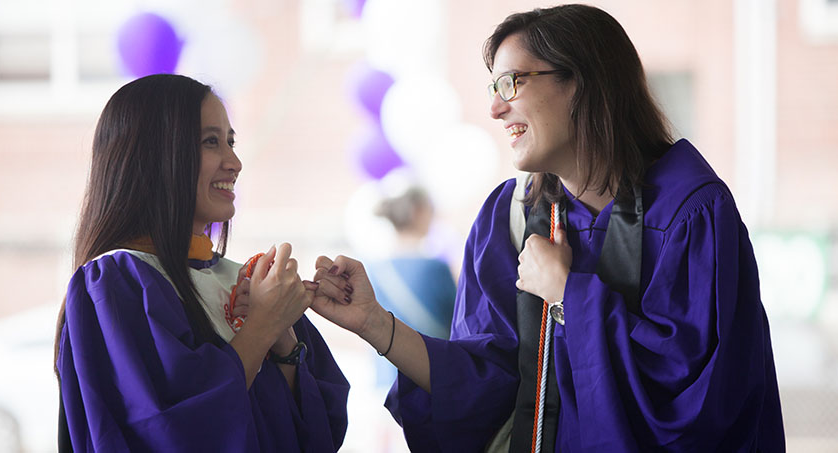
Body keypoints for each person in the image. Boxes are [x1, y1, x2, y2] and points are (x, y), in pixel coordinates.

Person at [308, 4, 784, 452]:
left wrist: (568, 294)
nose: (496, 109)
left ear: (583, 83)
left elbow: (698, 405)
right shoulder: (510, 218)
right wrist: (375, 324)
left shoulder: (691, 214)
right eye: (494, 89)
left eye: (512, 83)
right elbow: (484, 385)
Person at [54, 74, 349, 452]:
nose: (235, 162)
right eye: (211, 142)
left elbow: (321, 433)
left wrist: (284, 343)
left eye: (231, 141)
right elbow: (167, 432)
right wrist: (260, 327)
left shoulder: (242, 281)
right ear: (155, 156)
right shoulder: (115, 284)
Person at [368, 181, 456, 341]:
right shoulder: (435, 268)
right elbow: (458, 321)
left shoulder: (372, 270)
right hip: (427, 362)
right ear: (419, 211)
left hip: (385, 361)